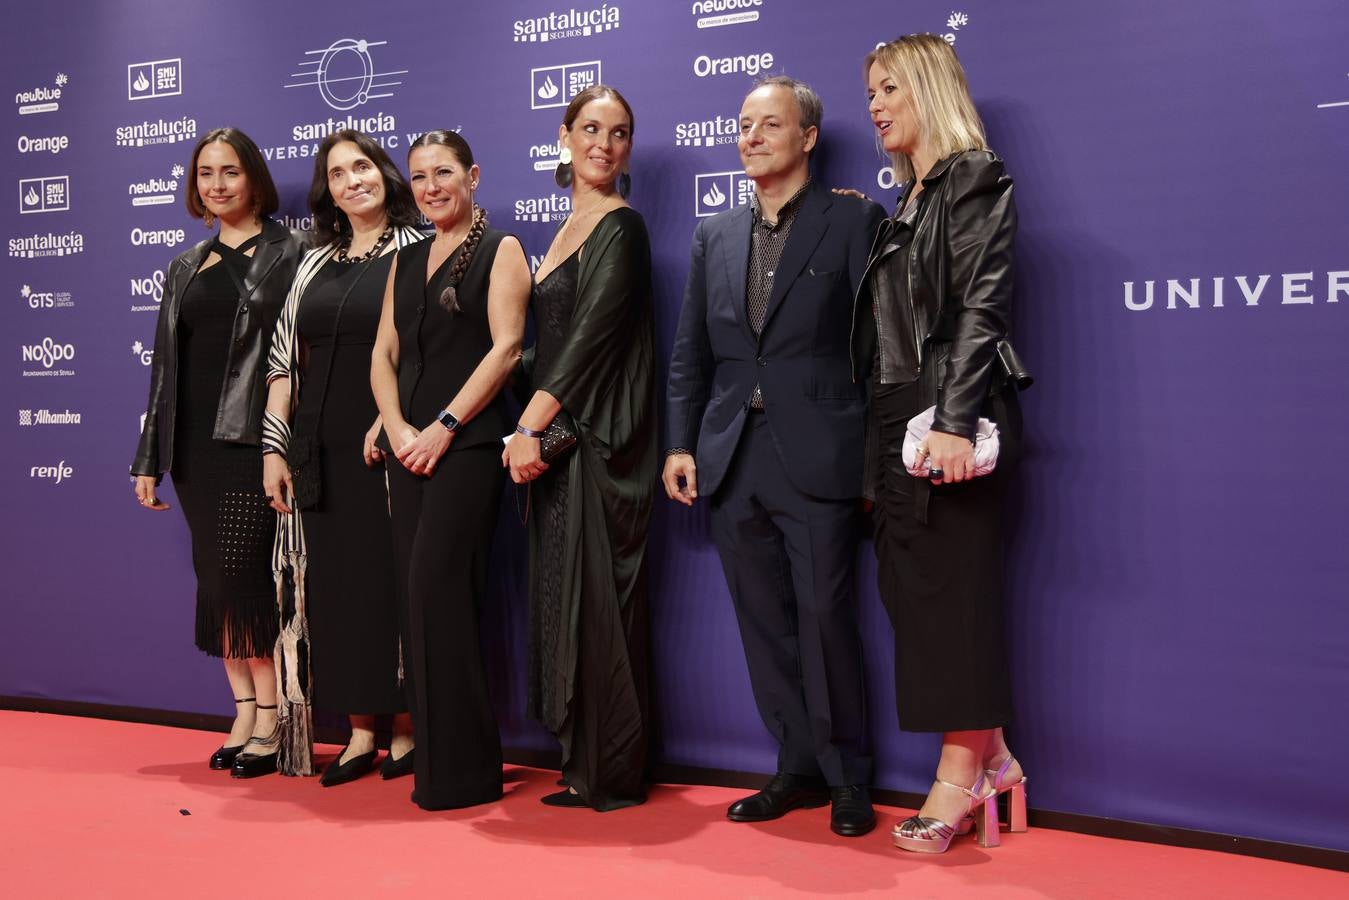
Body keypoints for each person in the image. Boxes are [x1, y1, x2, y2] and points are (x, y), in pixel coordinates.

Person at [663, 76, 885, 837]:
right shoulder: (713, 235)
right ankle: (794, 769)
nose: (750, 136)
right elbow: (690, 351)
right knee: (763, 624)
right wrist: (680, 443)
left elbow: (876, 349)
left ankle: (848, 776)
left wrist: (872, 460)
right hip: (732, 454)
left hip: (821, 453)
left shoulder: (853, 221)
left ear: (808, 138)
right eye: (743, 124)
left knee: (826, 619)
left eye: (769, 124)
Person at [855, 34, 1028, 853]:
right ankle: (993, 760)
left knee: (952, 603)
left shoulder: (971, 178)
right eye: (871, 94)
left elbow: (979, 308)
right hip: (896, 422)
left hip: (943, 418)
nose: (877, 106)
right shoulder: (907, 202)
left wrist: (955, 421)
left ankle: (958, 775)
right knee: (916, 602)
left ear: (928, 88)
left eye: (890, 89)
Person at [130, 127, 306, 778]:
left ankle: (272, 714)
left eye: (229, 171)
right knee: (216, 578)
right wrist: (149, 456)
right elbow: (163, 368)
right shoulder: (185, 265)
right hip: (192, 447)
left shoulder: (293, 251)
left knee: (245, 578)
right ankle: (243, 709)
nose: (217, 184)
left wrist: (283, 438)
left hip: (255, 441)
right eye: (205, 173)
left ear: (254, 178)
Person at [501, 84, 656, 812]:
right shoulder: (562, 232)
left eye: (619, 132)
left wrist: (529, 427)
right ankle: (577, 759)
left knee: (597, 606)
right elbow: (539, 348)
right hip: (557, 442)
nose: (604, 143)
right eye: (591, 128)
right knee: (562, 601)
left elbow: (591, 339)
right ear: (564, 136)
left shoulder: (621, 229)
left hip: (594, 443)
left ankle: (610, 770)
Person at [370, 130, 530, 810]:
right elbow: (383, 354)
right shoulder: (402, 261)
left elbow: (507, 349)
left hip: (466, 451)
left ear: (472, 176)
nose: (431, 187)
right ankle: (441, 766)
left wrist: (442, 427)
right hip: (410, 451)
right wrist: (400, 426)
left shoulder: (501, 251)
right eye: (419, 177)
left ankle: (467, 771)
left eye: (443, 173)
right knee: (418, 608)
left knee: (442, 598)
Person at [260, 130, 425, 783]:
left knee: (394, 582)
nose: (352, 179)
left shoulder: (416, 249)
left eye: (362, 165)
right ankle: (360, 731)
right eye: (337, 172)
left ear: (384, 173)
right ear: (325, 189)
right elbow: (282, 362)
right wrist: (274, 449)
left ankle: (408, 728)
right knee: (335, 590)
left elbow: (429, 350)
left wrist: (398, 424)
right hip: (317, 450)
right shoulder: (311, 260)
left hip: (388, 444)